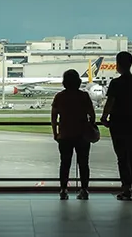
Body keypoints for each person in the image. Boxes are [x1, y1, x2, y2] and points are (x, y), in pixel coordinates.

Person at [100, 51, 132, 201]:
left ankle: (126, 189)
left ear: (118, 64)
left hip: (118, 122)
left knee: (122, 157)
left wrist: (104, 117)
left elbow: (110, 102)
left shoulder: (115, 83)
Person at [51, 69, 96, 200]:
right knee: (84, 164)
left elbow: (54, 117)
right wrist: (89, 127)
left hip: (65, 135)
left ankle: (64, 190)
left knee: (65, 163)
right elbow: (92, 115)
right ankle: (84, 190)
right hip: (82, 135)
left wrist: (56, 133)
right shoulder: (84, 96)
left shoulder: (59, 96)